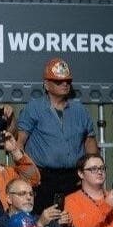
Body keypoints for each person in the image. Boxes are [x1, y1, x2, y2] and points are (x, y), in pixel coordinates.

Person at [17, 57, 98, 214]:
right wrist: (26, 174)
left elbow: (90, 143)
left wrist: (92, 172)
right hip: (42, 179)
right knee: (41, 219)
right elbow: (19, 143)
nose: (65, 84)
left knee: (75, 219)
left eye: (67, 81)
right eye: (59, 81)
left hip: (74, 177)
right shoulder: (34, 108)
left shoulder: (80, 110)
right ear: (46, 85)